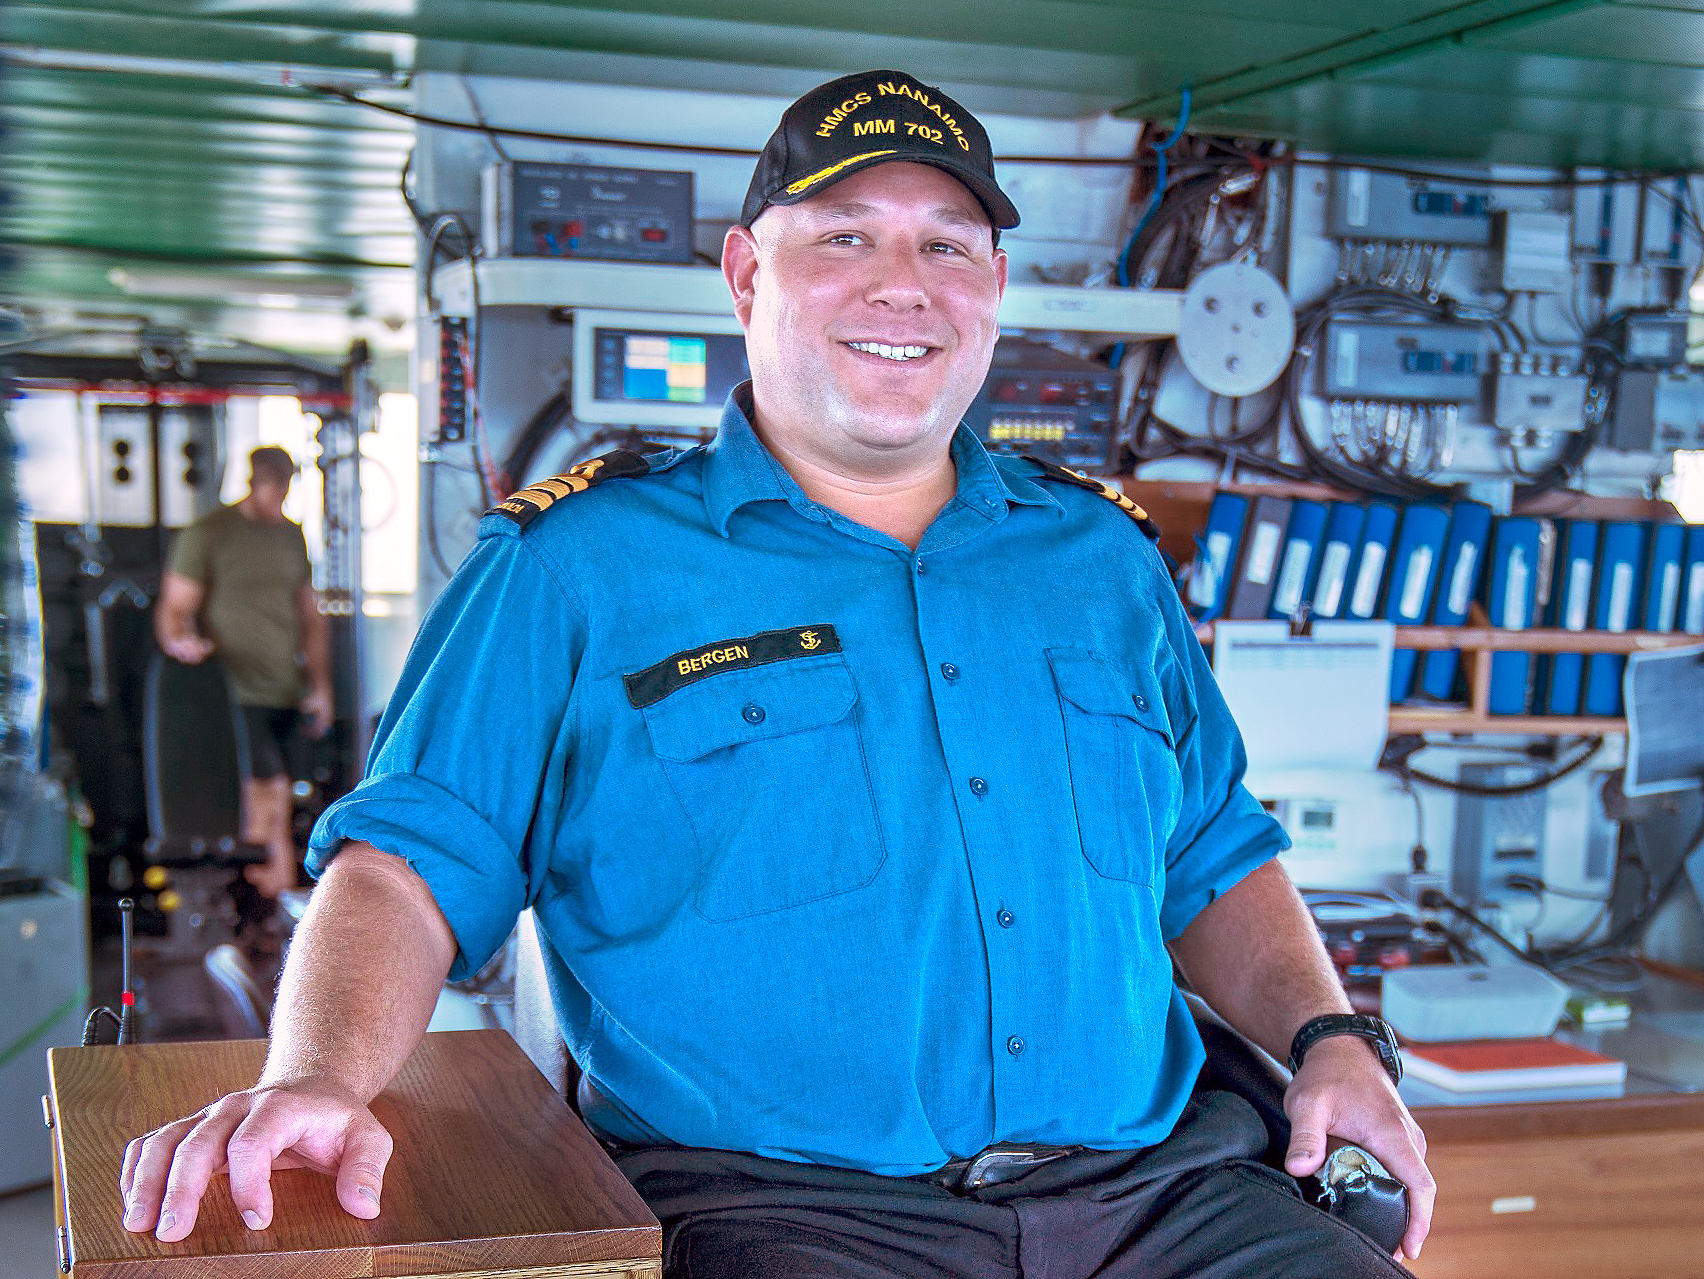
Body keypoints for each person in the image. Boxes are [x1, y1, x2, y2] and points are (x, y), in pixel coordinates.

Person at [120, 71, 1435, 1276]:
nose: (901, 282)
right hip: (786, 1215)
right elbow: (405, 864)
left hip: (1165, 1199)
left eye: (945, 244)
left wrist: (1333, 1039)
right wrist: (316, 1072)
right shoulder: (576, 567)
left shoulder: (1100, 558)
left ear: (993, 283)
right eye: (846, 235)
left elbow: (1211, 851)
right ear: (748, 273)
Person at [154, 444, 332, 899]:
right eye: (272, 483)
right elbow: (175, 609)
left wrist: (321, 686)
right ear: (254, 480)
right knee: (265, 790)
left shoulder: (291, 536)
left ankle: (264, 903)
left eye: (286, 484)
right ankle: (272, 898)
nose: (279, 494)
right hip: (232, 691)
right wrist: (182, 641)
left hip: (282, 689)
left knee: (280, 796)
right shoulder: (211, 532)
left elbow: (311, 618)